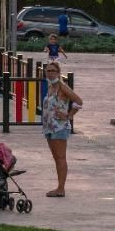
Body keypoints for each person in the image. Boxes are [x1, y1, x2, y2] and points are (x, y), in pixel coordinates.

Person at [40, 62, 83, 197]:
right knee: (56, 158)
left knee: (60, 158)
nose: (50, 73)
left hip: (59, 127)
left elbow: (78, 101)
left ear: (58, 72)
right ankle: (59, 186)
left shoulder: (62, 87)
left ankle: (61, 188)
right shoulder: (50, 87)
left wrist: (69, 115)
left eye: (53, 70)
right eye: (48, 71)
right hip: (49, 127)